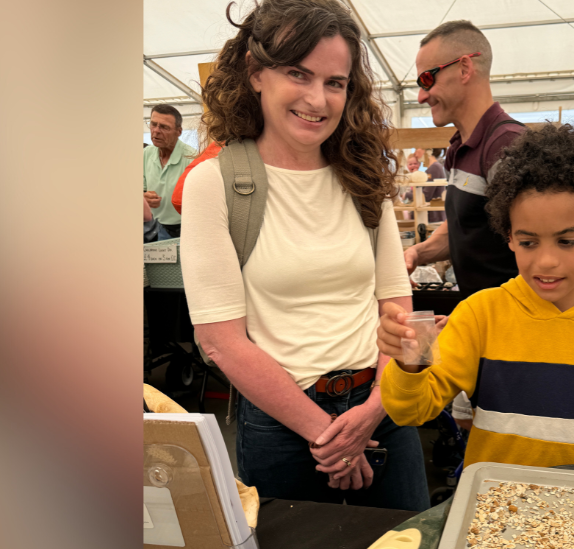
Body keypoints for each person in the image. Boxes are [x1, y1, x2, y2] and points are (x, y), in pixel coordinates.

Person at [180, 0, 428, 511]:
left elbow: (396, 308)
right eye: (298, 73)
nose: (318, 99)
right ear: (255, 73)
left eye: (335, 82)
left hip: (383, 407)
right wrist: (332, 437)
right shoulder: (217, 183)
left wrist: (372, 413)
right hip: (282, 423)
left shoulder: (364, 176)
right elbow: (220, 340)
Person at [377, 124, 574, 474]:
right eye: (528, 242)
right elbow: (412, 411)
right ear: (508, 235)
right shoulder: (480, 314)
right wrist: (409, 360)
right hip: (493, 511)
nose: (546, 261)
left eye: (566, 241)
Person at [402, 20, 527, 297]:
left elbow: (541, 257)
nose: (422, 96)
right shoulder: (460, 148)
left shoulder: (506, 148)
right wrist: (417, 252)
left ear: (464, 68)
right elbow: (468, 226)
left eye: (426, 79)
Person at [143, 104, 194, 239]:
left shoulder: (191, 158)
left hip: (185, 229)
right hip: (153, 226)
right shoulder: (146, 153)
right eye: (153, 124)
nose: (156, 131)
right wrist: (143, 197)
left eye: (164, 127)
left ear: (179, 132)